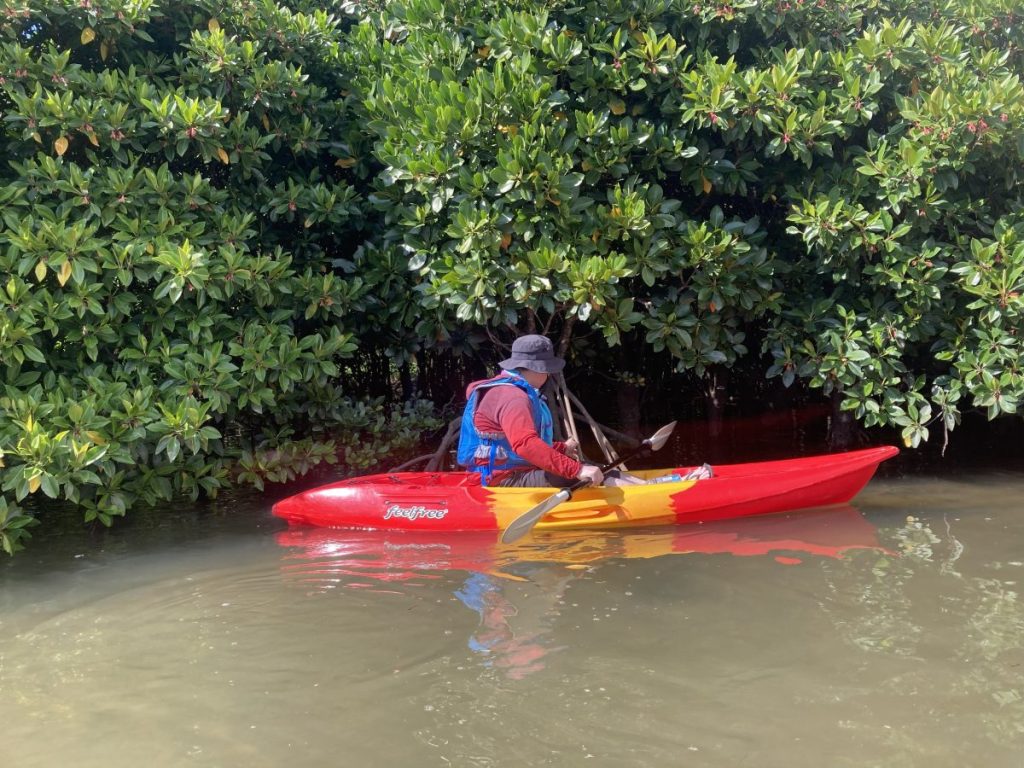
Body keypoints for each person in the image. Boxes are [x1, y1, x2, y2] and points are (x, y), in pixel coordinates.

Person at [456, 334, 643, 488]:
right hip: (500, 481)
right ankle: (647, 497)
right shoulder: (514, 397)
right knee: (585, 475)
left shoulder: (507, 390)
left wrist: (562, 448)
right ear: (538, 369)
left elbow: (511, 445)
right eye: (547, 370)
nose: (548, 375)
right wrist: (577, 470)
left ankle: (647, 487)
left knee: (601, 471)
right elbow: (525, 445)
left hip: (507, 473)